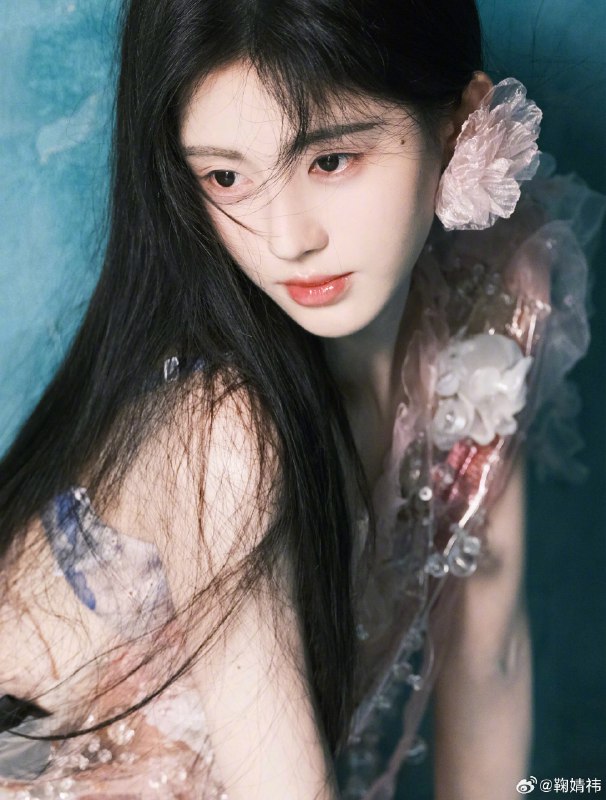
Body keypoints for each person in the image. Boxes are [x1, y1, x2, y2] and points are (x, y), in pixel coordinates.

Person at [0, 0, 603, 798]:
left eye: (331, 160)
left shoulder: (491, 307)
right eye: (226, 177)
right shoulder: (220, 430)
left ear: (460, 121)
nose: (287, 239)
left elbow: (490, 660)